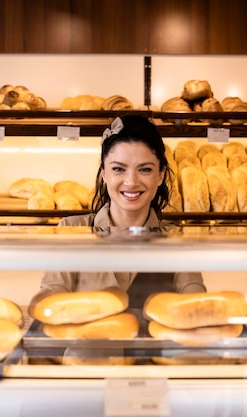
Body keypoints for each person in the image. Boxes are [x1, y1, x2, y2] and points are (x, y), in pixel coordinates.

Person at [30, 114, 206, 311]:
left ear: (160, 176)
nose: (131, 182)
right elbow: (52, 295)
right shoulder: (72, 230)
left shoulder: (177, 240)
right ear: (104, 173)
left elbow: (196, 302)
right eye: (118, 169)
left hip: (154, 343)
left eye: (145, 170)